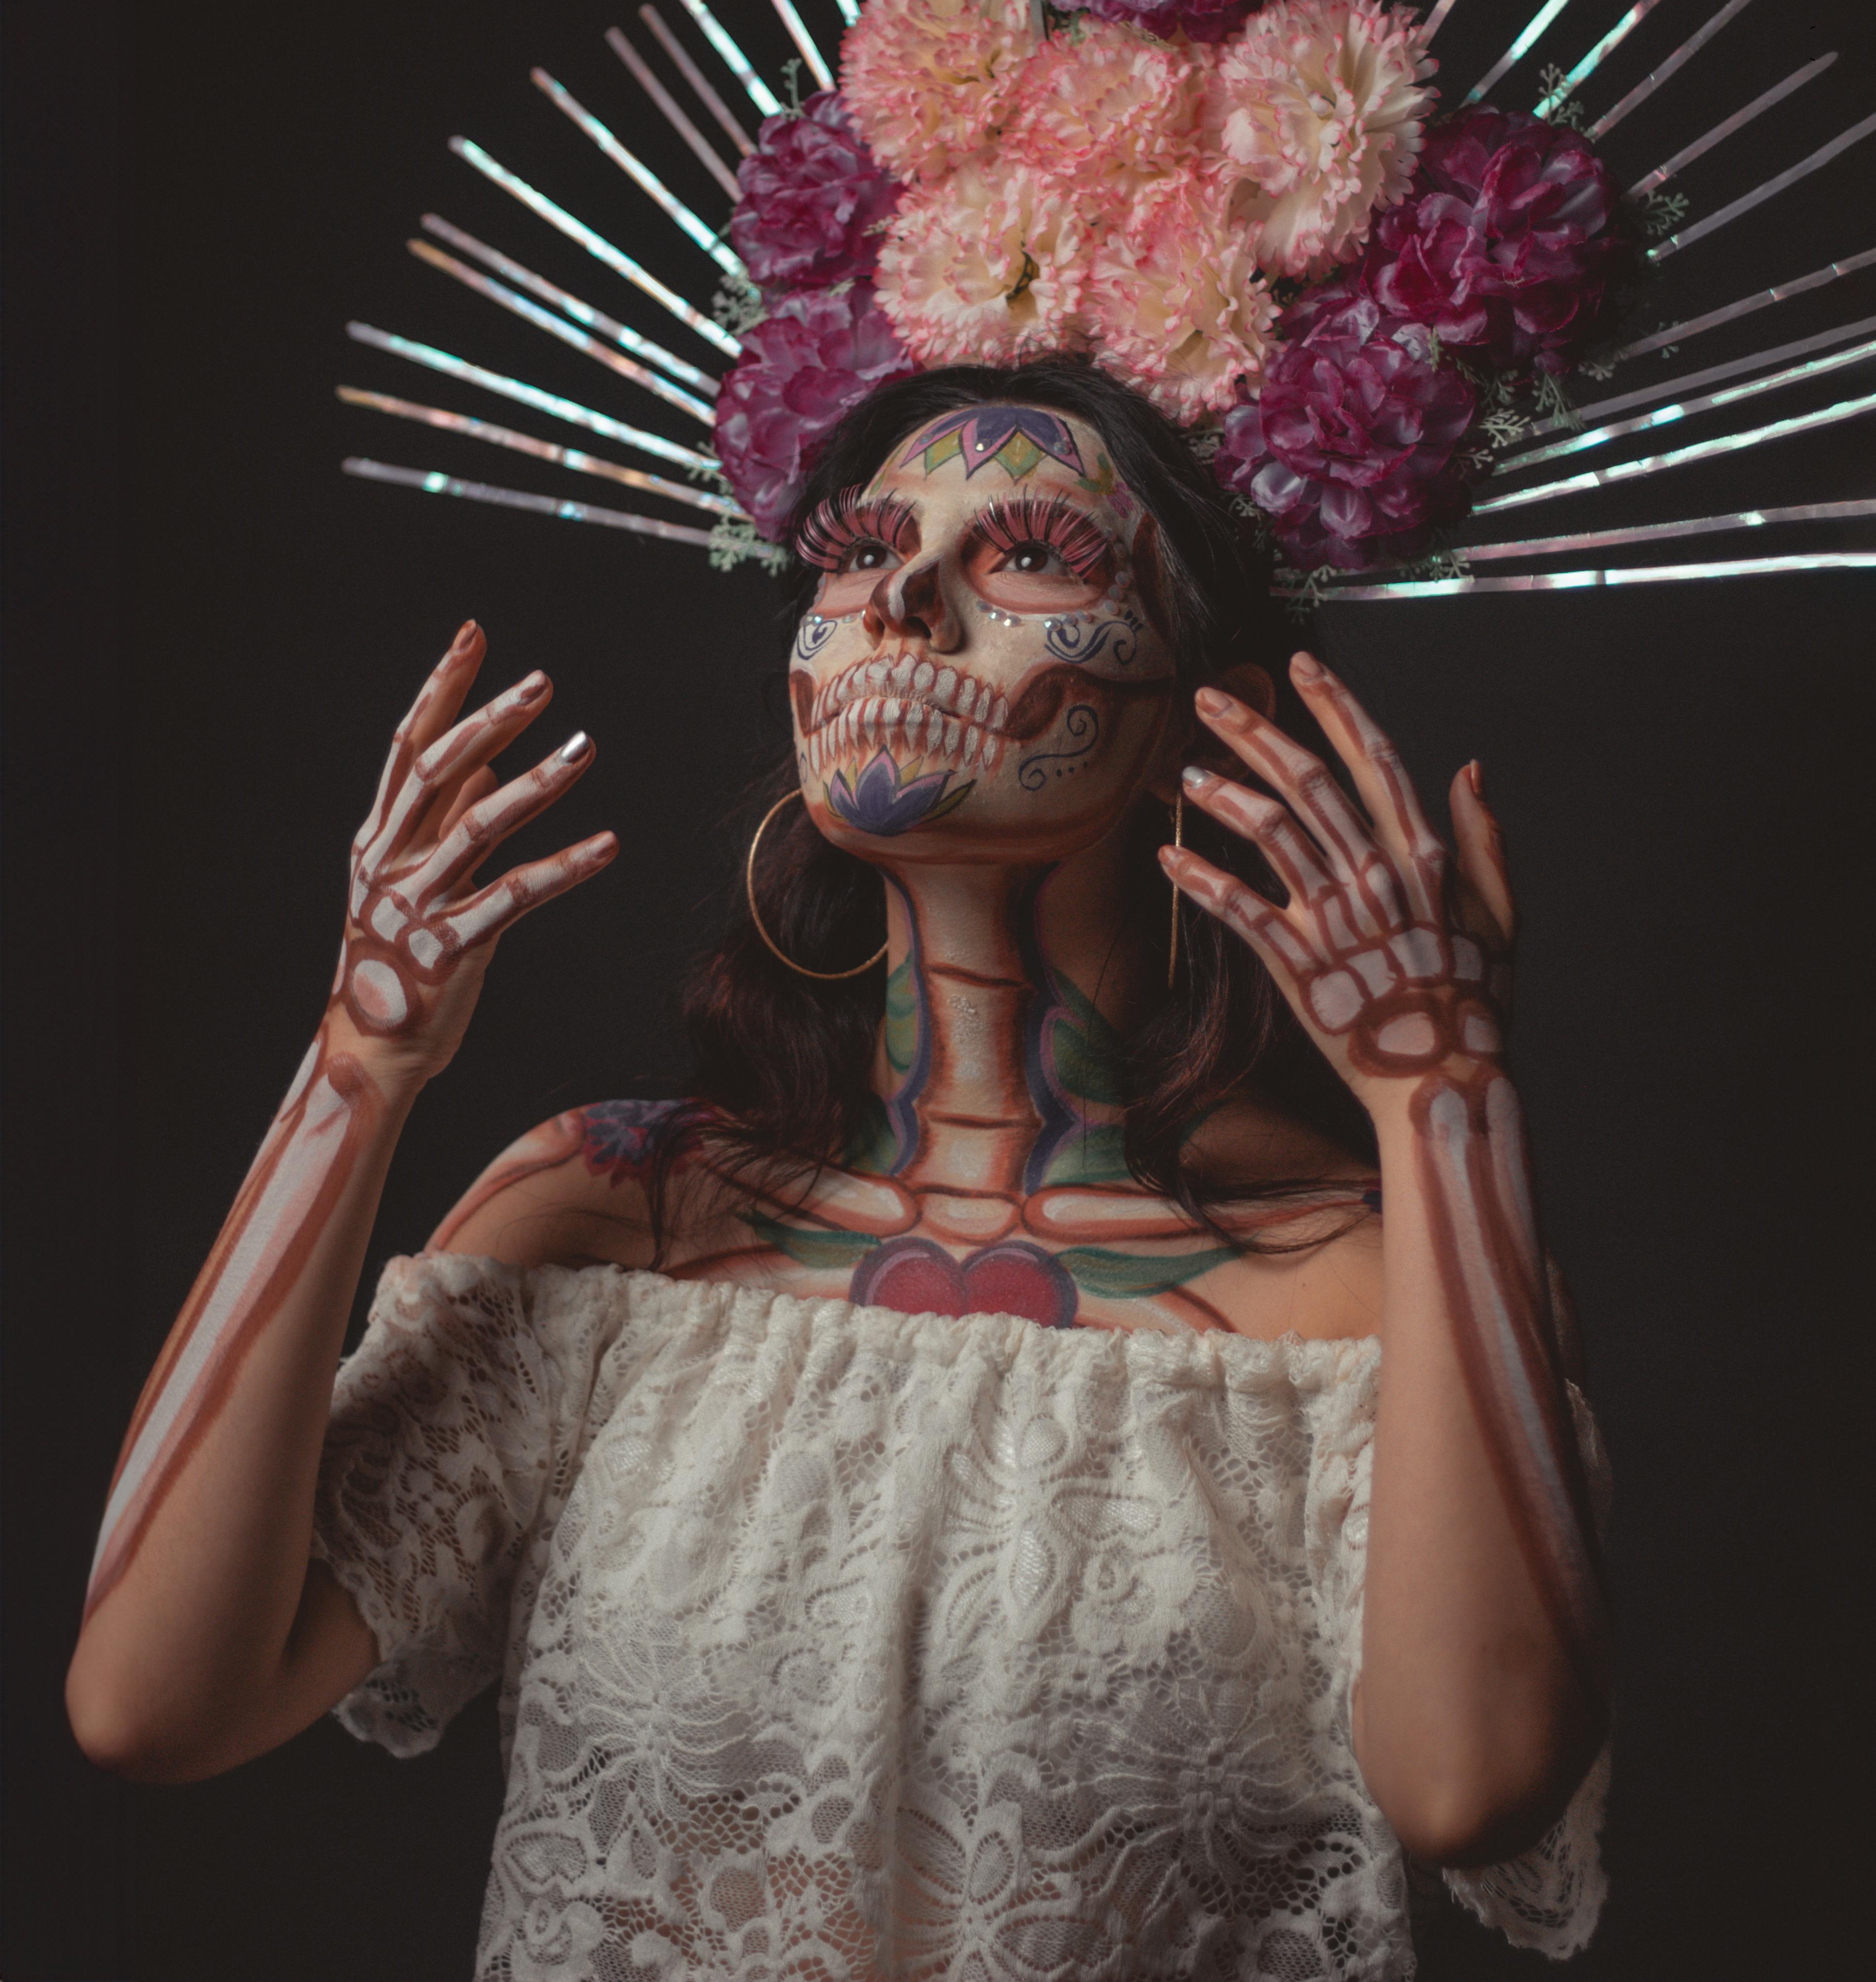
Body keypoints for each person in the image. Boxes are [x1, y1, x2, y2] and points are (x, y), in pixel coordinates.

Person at [67, 360, 1612, 1978]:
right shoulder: (611, 1220)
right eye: (863, 551)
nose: (907, 604)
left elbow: (1473, 1786)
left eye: (1031, 555)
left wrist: (1445, 1116)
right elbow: (152, 1700)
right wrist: (352, 1075)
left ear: (1199, 712)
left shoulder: (1353, 1288)